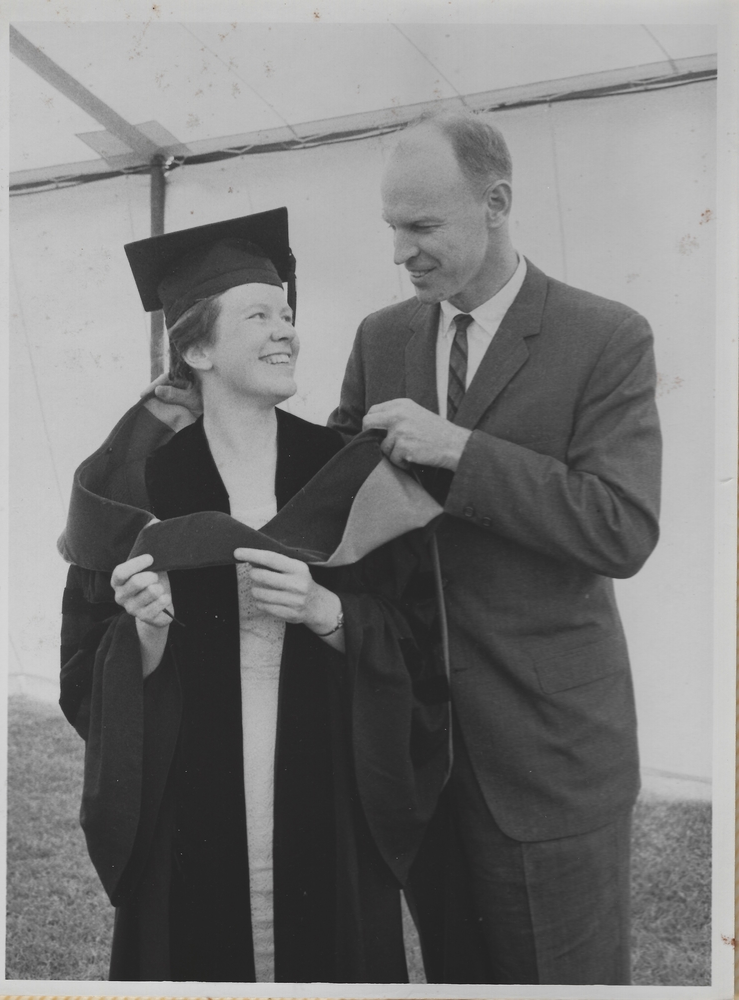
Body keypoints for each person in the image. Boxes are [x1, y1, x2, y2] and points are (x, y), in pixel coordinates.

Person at [58, 209, 460, 983]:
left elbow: (419, 645)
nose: (286, 331)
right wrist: (142, 638)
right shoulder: (132, 490)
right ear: (199, 348)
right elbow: (86, 666)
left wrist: (330, 614)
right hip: (186, 806)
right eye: (259, 315)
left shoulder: (348, 474)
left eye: (287, 313)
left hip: (329, 802)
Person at [325, 110, 663, 985]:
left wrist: (461, 453)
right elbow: (329, 501)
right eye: (392, 228)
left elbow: (620, 526)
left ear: (498, 203)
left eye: (422, 226)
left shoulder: (606, 336)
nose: (400, 252)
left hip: (549, 760)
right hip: (421, 756)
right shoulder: (381, 338)